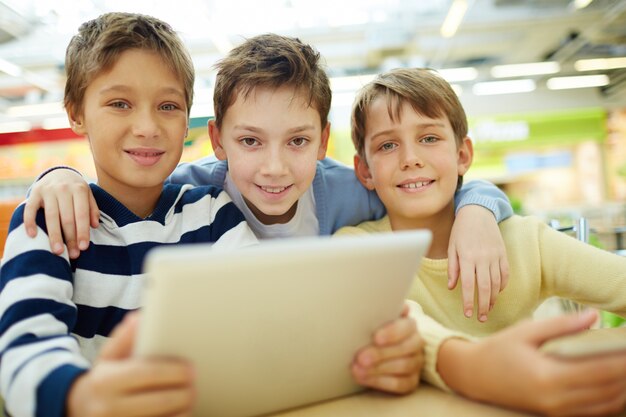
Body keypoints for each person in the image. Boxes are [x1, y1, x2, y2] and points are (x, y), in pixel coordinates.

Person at [24, 34, 513, 324]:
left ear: (323, 143)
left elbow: (424, 187)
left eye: (297, 142)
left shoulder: (342, 190)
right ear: (218, 141)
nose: (274, 168)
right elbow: (124, 188)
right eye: (250, 142)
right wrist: (57, 174)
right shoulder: (193, 193)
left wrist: (477, 209)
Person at [0, 12, 259, 417]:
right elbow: (22, 352)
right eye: (120, 103)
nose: (147, 126)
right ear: (76, 113)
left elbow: (262, 312)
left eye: (168, 106)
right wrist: (81, 396)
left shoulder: (211, 213)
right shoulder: (46, 221)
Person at [337, 67, 626, 416]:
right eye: (387, 145)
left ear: (463, 155)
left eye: (429, 138)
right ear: (364, 170)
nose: (410, 158)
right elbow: (403, 327)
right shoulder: (354, 250)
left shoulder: (524, 240)